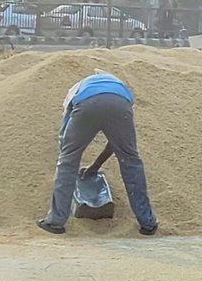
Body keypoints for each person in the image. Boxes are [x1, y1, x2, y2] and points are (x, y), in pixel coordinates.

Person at [38, 71, 157, 236]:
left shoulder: (75, 90)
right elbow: (117, 143)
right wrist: (96, 165)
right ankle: (148, 223)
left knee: (67, 160)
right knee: (131, 161)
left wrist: (68, 156)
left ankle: (55, 222)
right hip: (120, 104)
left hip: (87, 103)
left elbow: (64, 137)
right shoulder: (118, 87)